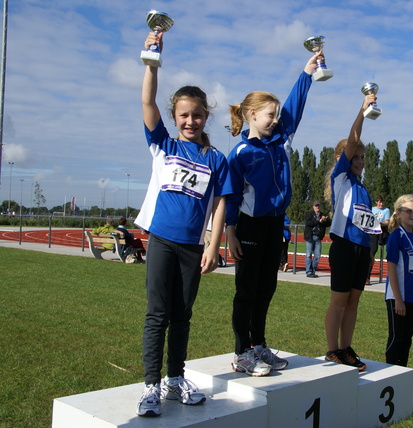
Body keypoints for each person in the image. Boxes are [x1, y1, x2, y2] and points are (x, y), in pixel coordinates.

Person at [134, 31, 231, 418]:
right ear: (175, 118)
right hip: (161, 240)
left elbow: (222, 202)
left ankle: (176, 379)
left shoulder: (216, 158)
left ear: (206, 116)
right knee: (158, 313)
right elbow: (146, 100)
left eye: (197, 115)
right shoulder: (164, 145)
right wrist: (151, 62)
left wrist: (213, 245)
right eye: (184, 115)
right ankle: (150, 387)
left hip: (193, 246)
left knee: (182, 315)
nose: (190, 121)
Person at [225, 50, 321, 377]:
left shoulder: (281, 141)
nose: (276, 119)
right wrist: (230, 232)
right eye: (270, 114)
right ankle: (241, 353)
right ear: (251, 114)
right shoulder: (240, 153)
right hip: (249, 227)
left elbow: (295, 108)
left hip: (274, 225)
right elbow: (231, 196)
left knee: (267, 288)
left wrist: (307, 73)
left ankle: (259, 345)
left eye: (277, 114)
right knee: (247, 290)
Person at [323, 92, 379, 372]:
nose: (360, 160)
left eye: (363, 157)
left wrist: (370, 253)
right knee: (339, 301)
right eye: (355, 156)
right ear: (342, 158)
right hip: (343, 246)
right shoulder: (341, 177)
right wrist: (363, 111)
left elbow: (368, 226)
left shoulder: (363, 189)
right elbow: (354, 139)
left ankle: (346, 348)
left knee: (354, 301)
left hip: (360, 250)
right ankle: (332, 349)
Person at [384, 194, 413, 368]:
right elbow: (392, 268)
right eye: (408, 211)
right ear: (398, 213)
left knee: (407, 338)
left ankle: (402, 377)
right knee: (397, 337)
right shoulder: (396, 237)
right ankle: (390, 376)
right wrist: (398, 299)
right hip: (398, 296)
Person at [304, 201, 330, 278]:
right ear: (313, 207)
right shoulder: (309, 214)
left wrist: (325, 220)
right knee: (308, 255)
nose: (317, 207)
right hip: (310, 237)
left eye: (318, 206)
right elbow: (309, 223)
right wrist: (319, 221)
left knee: (317, 256)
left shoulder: (323, 215)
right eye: (316, 206)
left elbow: (329, 223)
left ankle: (313, 270)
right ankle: (309, 271)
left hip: (318, 237)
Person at [368, 195, 391, 285]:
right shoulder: (371, 209)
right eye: (379, 202)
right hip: (372, 232)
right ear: (376, 202)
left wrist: (381, 223)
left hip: (381, 232)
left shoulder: (386, 210)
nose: (381, 204)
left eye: (382, 202)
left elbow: (387, 222)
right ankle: (367, 276)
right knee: (371, 252)